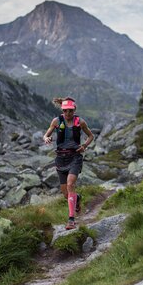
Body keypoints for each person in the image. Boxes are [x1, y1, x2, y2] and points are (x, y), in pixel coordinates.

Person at [43, 97, 94, 230]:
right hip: (60, 158)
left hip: (75, 157)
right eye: (65, 111)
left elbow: (91, 136)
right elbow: (46, 134)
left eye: (70, 111)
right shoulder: (56, 121)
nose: (68, 114)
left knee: (71, 184)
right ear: (62, 110)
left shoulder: (80, 122)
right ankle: (76, 198)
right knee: (66, 194)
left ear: (74, 110)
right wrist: (47, 138)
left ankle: (71, 220)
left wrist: (84, 146)